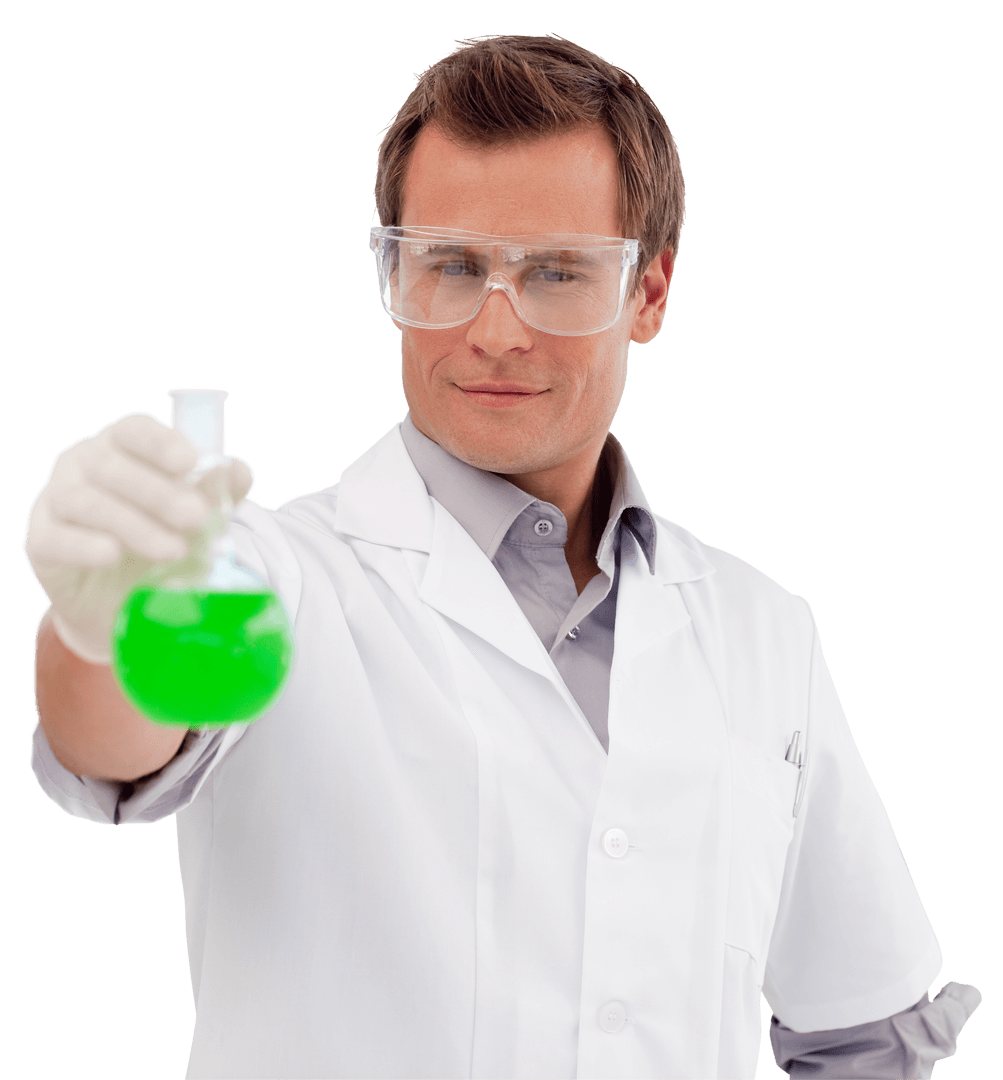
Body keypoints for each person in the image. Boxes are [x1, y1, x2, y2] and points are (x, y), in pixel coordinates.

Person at [23, 34, 979, 1080]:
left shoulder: (760, 631)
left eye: (558, 273)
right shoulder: (275, 574)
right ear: (393, 271)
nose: (494, 328)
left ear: (650, 294)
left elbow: (860, 1032)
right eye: (452, 265)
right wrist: (95, 621)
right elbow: (118, 734)